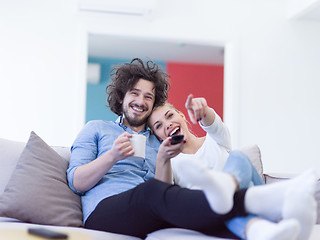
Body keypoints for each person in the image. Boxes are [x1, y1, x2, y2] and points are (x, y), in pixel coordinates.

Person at [67, 58, 316, 240]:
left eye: (148, 97)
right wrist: (112, 156)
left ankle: (269, 230)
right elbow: (77, 181)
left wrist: (163, 158)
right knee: (150, 192)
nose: (141, 102)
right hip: (106, 214)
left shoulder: (159, 140)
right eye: (135, 94)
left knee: (210, 218)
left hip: (149, 214)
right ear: (121, 97)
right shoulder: (96, 128)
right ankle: (274, 197)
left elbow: (165, 191)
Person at [147, 94, 318, 240]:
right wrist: (164, 157)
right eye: (159, 126)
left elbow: (212, 122)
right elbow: (163, 198)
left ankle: (226, 187)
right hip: (215, 212)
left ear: (182, 115)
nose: (167, 124)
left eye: (169, 116)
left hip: (245, 198)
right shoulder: (173, 163)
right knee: (226, 206)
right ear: (159, 138)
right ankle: (268, 222)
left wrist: (202, 110)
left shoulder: (214, 139)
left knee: (238, 156)